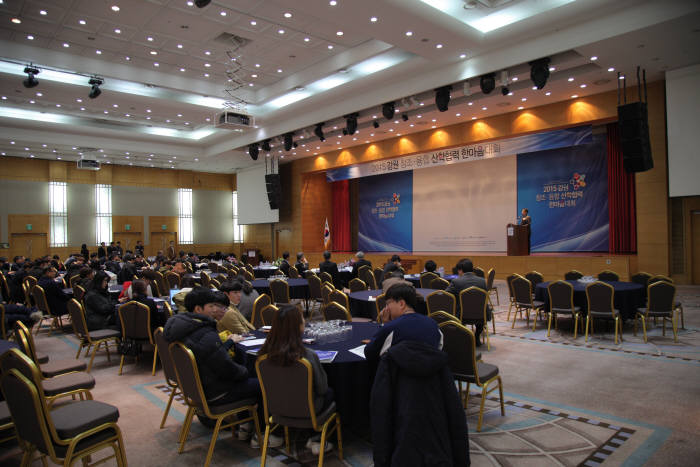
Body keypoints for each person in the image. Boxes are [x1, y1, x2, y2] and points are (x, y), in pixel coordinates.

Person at [163, 287, 281, 447]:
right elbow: (227, 370)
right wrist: (245, 372)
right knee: (265, 384)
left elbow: (211, 356)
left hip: (198, 389)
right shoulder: (205, 334)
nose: (215, 309)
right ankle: (262, 434)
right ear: (198, 309)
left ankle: (245, 426)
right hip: (216, 392)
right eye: (211, 306)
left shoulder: (182, 328)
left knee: (246, 375)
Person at [258, 304, 335, 455]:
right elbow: (322, 388)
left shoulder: (263, 355)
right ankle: (316, 438)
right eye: (302, 319)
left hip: (276, 408)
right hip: (307, 409)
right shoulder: (307, 356)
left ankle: (278, 433)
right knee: (329, 392)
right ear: (298, 327)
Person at [365, 283, 442, 364]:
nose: (386, 308)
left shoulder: (391, 328)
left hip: (397, 371)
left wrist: (385, 325)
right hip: (431, 370)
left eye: (388, 304)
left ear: (401, 304)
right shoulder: (434, 324)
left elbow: (369, 353)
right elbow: (439, 350)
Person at [445, 258, 491, 346]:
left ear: (460, 270)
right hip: (482, 315)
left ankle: (463, 337)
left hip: (463, 315)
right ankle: (477, 337)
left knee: (456, 309)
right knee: (479, 309)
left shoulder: (456, 281)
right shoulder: (482, 281)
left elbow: (446, 294)